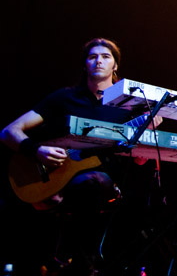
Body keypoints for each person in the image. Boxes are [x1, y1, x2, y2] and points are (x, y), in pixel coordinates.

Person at [0, 38, 154, 274]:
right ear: (84, 65)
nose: (98, 61)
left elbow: (140, 160)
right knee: (92, 184)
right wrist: (37, 151)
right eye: (92, 57)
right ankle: (80, 261)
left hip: (107, 185)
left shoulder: (129, 105)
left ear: (115, 66)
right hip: (59, 178)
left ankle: (65, 258)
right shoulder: (65, 97)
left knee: (97, 184)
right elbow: (9, 131)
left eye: (105, 56)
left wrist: (146, 133)